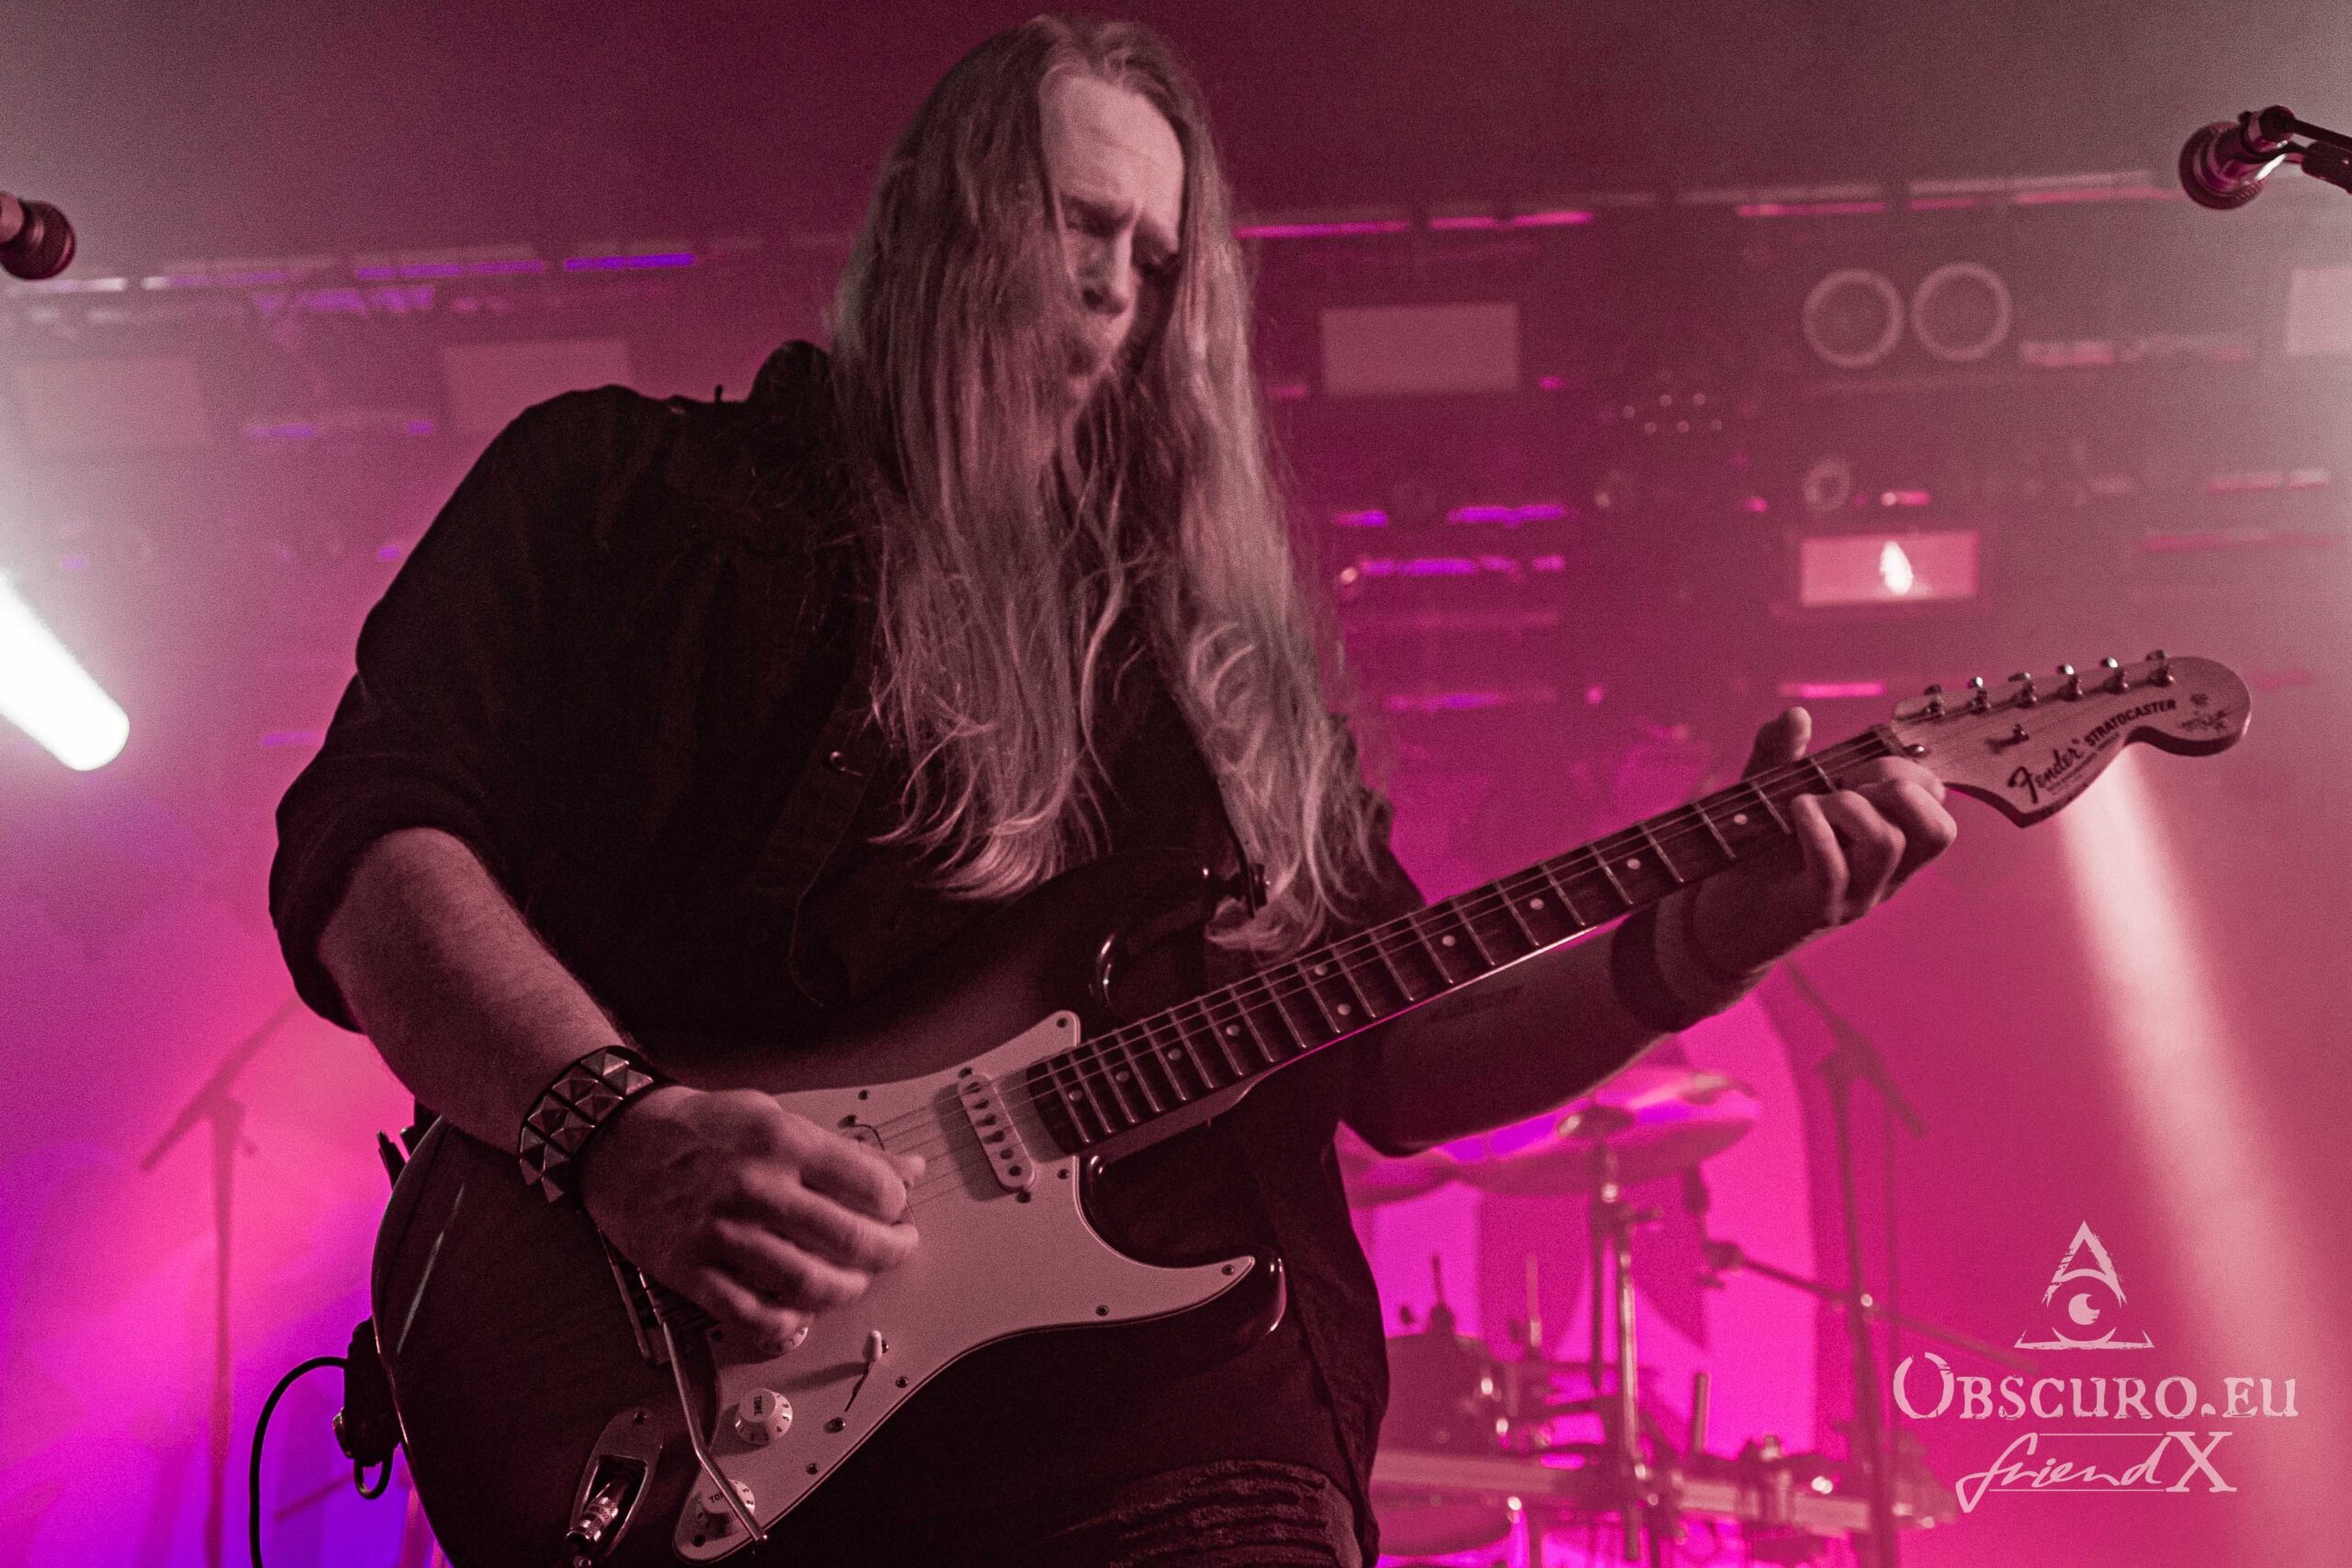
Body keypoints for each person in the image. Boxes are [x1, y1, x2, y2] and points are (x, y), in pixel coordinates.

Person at [271, 16, 1955, 1565]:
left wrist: (1695, 949)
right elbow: (373, 842)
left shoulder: (1207, 667)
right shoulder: (613, 492)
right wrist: (613, 1128)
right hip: (691, 1398)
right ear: (934, 217)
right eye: (1081, 225)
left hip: (1174, 1442)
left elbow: (1394, 1058)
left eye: (1156, 261)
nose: (1116, 294)